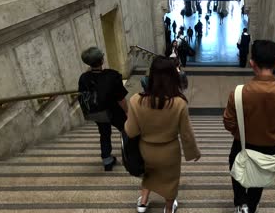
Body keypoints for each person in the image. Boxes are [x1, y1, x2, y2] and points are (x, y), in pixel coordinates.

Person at [224, 40, 275, 213]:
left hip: (241, 144)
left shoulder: (238, 93)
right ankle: (251, 206)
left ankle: (240, 204)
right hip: (269, 149)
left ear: (252, 63)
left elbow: (228, 122)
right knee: (258, 178)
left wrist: (242, 132)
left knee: (238, 172)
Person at [125, 56, 201, 213]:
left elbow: (131, 131)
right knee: (171, 181)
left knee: (149, 175)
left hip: (146, 149)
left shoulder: (135, 101)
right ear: (173, 76)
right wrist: (193, 152)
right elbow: (186, 133)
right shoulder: (179, 103)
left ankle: (143, 203)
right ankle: (168, 208)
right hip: (170, 151)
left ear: (151, 75)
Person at [78, 47, 128, 171]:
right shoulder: (112, 75)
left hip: (98, 113)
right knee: (126, 130)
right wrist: (127, 111)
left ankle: (107, 160)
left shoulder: (83, 78)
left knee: (104, 134)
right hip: (114, 111)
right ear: (102, 60)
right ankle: (129, 155)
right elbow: (120, 99)